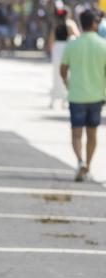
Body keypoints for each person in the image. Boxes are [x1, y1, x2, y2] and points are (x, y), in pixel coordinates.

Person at [60, 9, 106, 182]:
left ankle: (80, 162)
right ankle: (88, 164)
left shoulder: (72, 44)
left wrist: (66, 83)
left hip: (76, 95)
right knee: (93, 134)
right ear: (94, 24)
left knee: (76, 133)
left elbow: (63, 69)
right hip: (96, 96)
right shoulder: (103, 45)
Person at [48, 8, 79, 109]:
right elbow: (77, 36)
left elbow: (51, 40)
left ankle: (54, 99)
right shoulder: (70, 24)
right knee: (67, 74)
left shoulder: (56, 25)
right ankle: (65, 99)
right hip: (66, 49)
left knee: (56, 75)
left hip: (57, 49)